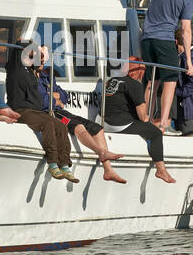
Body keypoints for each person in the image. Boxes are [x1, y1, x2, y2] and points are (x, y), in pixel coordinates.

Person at [36, 47, 126, 184]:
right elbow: (41, 100)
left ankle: (108, 170)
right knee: (77, 126)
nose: (43, 62)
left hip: (61, 111)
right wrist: (56, 99)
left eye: (43, 59)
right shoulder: (32, 79)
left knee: (97, 128)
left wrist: (55, 97)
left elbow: (64, 95)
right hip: (51, 112)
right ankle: (101, 152)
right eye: (40, 59)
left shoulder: (47, 76)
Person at [125, 0, 193, 131]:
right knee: (170, 82)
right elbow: (185, 30)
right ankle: (163, 123)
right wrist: (189, 63)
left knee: (151, 82)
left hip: (147, 40)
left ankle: (146, 120)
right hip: (165, 41)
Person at [6, 39, 79, 182]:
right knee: (47, 125)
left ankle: (64, 164)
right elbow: (18, 50)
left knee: (61, 126)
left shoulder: (31, 71)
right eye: (30, 54)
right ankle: (52, 163)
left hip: (35, 110)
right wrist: (26, 42)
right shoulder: (15, 68)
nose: (33, 58)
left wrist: (38, 54)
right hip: (20, 109)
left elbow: (40, 64)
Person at [100, 57, 175, 183]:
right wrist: (153, 124)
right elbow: (142, 117)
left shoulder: (112, 80)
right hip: (118, 125)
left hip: (103, 122)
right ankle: (161, 170)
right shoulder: (134, 85)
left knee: (145, 126)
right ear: (140, 71)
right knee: (155, 133)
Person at [173, 29, 193, 136]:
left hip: (189, 105)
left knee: (187, 135)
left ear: (176, 42)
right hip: (190, 104)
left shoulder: (188, 59)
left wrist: (177, 92)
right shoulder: (189, 57)